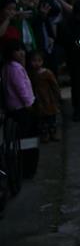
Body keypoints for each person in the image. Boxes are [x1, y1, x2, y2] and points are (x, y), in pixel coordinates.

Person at [3, 40, 39, 177]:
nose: (21, 52)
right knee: (28, 141)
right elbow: (21, 89)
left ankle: (24, 168)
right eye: (17, 50)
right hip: (23, 108)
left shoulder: (8, 67)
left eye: (22, 49)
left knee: (22, 141)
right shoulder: (15, 68)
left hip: (15, 108)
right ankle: (28, 169)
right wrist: (29, 104)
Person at [27, 50, 61, 143]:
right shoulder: (31, 74)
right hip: (38, 99)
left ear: (42, 61)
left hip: (48, 98)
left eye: (39, 61)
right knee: (42, 120)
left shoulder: (47, 73)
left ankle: (53, 133)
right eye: (34, 61)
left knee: (51, 119)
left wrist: (57, 96)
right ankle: (44, 134)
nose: (36, 63)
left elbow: (54, 85)